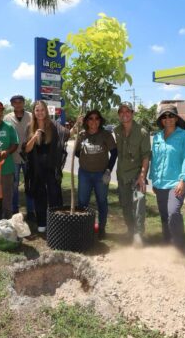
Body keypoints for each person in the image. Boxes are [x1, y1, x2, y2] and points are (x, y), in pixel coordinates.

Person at [24, 101, 74, 232]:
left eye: (42, 110)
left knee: (54, 194)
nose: (40, 112)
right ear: (34, 112)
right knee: (39, 194)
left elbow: (67, 134)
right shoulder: (29, 127)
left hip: (51, 167)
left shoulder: (53, 125)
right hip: (36, 168)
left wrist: (77, 125)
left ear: (46, 111)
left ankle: (56, 222)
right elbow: (26, 149)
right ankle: (42, 222)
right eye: (37, 110)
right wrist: (34, 137)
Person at [150, 103, 185, 249]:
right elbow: (155, 160)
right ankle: (167, 243)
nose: (167, 118)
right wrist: (154, 180)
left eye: (171, 115)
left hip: (176, 183)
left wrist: (183, 180)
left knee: (173, 213)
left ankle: (178, 247)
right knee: (164, 215)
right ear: (161, 120)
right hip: (160, 183)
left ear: (176, 118)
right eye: (164, 116)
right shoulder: (157, 137)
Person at [75, 110, 117, 239]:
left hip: (101, 175)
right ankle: (83, 228)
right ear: (87, 121)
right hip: (84, 174)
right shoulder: (82, 135)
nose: (94, 121)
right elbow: (76, 152)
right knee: (82, 202)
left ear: (100, 121)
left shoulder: (106, 135)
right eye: (91, 118)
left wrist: (108, 170)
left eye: (97, 118)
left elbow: (114, 153)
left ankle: (101, 229)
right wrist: (86, 159)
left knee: (102, 201)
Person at [114, 101, 151, 247]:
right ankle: (130, 230)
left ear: (132, 113)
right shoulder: (117, 131)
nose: (124, 114)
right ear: (119, 115)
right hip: (122, 174)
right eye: (121, 112)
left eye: (127, 111)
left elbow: (146, 156)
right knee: (125, 205)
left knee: (139, 203)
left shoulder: (142, 132)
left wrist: (142, 176)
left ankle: (138, 234)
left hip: (137, 174)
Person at [3, 94, 34, 220]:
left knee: (30, 184)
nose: (18, 104)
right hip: (13, 156)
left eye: (20, 101)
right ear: (12, 104)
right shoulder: (7, 118)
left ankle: (31, 211)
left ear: (24, 103)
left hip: (29, 156)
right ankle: (14, 210)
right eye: (15, 102)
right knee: (14, 185)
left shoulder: (31, 116)